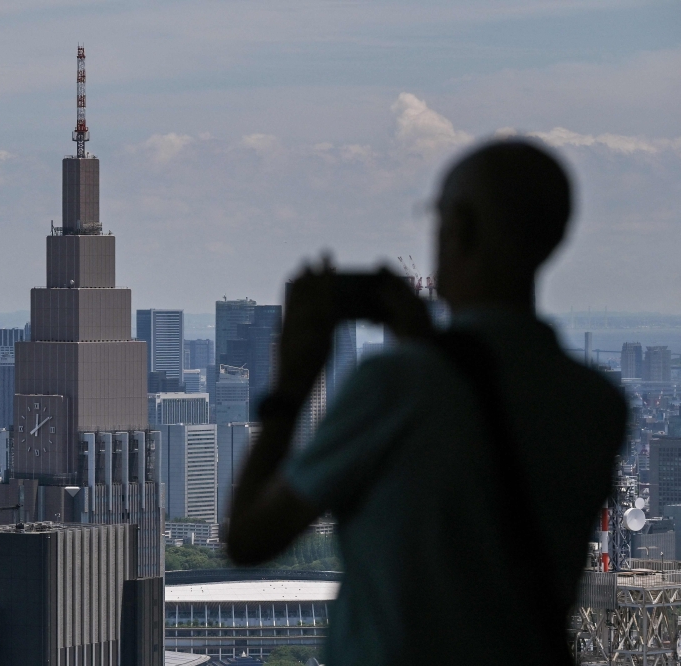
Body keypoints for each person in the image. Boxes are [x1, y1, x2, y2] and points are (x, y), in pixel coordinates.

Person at [227, 139, 627, 666]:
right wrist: (427, 348)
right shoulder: (597, 403)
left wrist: (292, 385)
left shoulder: (395, 386)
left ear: (458, 227)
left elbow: (249, 537)